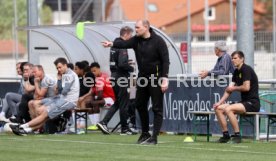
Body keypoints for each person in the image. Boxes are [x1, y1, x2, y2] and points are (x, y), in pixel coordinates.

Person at [102, 20, 170, 145]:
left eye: (137, 27)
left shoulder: (158, 41)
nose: (136, 29)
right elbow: (124, 44)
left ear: (146, 27)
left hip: (156, 78)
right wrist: (111, 43)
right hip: (142, 78)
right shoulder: (136, 40)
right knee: (139, 104)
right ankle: (145, 133)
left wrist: (165, 79)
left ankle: (154, 137)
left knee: (157, 108)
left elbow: (166, 61)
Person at [10, 57, 80, 135]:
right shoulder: (65, 75)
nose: (58, 70)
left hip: (68, 101)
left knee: (44, 113)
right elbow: (58, 91)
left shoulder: (69, 75)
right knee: (43, 113)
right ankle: (27, 129)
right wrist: (59, 82)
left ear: (65, 65)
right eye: (57, 68)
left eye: (60, 67)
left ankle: (23, 126)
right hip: (60, 99)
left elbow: (63, 91)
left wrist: (59, 83)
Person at [213, 51, 260, 144]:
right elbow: (229, 89)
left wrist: (233, 88)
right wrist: (219, 102)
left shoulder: (246, 69)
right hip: (244, 103)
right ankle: (226, 135)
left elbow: (246, 87)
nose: (233, 60)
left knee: (229, 109)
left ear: (242, 59)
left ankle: (237, 136)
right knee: (218, 109)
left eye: (235, 58)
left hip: (253, 103)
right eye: (232, 58)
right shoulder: (236, 71)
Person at [97, 26, 135, 135]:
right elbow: (122, 64)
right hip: (122, 78)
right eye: (131, 36)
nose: (131, 38)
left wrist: (127, 63)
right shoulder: (122, 46)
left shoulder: (113, 46)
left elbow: (117, 63)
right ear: (126, 34)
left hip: (114, 76)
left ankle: (104, 122)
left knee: (118, 103)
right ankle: (125, 128)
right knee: (124, 103)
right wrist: (131, 67)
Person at [78, 62, 115, 129]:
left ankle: (97, 124)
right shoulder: (95, 79)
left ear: (99, 69)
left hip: (110, 99)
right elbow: (92, 92)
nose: (93, 73)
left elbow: (100, 95)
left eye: (94, 71)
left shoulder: (102, 78)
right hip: (103, 99)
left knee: (95, 103)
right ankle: (93, 124)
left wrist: (93, 99)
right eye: (92, 72)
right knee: (88, 104)